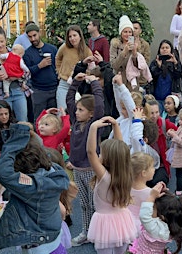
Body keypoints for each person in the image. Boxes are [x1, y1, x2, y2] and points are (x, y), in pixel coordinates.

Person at [0, 123, 69, 252]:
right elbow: (39, 149)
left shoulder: (32, 187)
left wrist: (15, 141)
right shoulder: (52, 171)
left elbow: (2, 172)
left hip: (38, 246)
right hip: (52, 241)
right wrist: (27, 136)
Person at [86, 117, 137, 253]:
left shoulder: (105, 177)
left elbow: (90, 153)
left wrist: (93, 127)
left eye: (101, 153)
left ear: (107, 158)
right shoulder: (126, 172)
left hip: (105, 223)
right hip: (122, 220)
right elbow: (121, 149)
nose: (98, 155)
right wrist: (115, 125)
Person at [66, 72, 105, 246]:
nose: (77, 111)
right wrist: (75, 82)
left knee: (94, 203)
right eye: (77, 109)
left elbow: (100, 103)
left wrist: (94, 82)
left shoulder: (93, 125)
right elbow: (69, 100)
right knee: (83, 204)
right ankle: (86, 232)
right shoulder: (75, 122)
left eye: (81, 109)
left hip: (90, 170)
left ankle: (99, 234)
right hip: (78, 170)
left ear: (91, 114)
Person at [0, 26, 30, 121]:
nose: (0, 45)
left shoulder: (15, 53)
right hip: (1, 94)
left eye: (2, 41)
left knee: (22, 121)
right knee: (5, 123)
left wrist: (16, 76)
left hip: (18, 90)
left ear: (6, 40)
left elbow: (27, 73)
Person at [128, 183, 182, 254]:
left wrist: (152, 197)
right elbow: (170, 204)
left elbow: (144, 216)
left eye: (153, 208)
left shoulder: (156, 229)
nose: (151, 209)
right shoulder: (170, 225)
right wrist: (164, 193)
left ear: (161, 217)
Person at [23, 23, 59, 121]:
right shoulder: (27, 53)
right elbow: (26, 73)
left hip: (54, 89)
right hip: (38, 91)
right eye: (30, 37)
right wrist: (39, 66)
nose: (33, 39)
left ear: (39, 33)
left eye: (34, 35)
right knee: (39, 120)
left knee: (55, 120)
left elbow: (58, 67)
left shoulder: (52, 49)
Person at [56, 25, 93, 110]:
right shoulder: (65, 47)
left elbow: (91, 68)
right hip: (64, 84)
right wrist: (59, 71)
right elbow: (58, 58)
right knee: (62, 112)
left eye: (74, 35)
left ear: (80, 36)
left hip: (79, 86)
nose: (72, 38)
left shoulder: (87, 51)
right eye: (70, 36)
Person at [110, 15, 152, 90]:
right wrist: (124, 52)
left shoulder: (136, 44)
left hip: (133, 82)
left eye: (130, 32)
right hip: (120, 80)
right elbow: (114, 65)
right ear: (121, 33)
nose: (128, 34)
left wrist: (134, 53)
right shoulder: (115, 44)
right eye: (125, 32)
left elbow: (139, 66)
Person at [146, 100, 178, 186]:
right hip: (145, 163)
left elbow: (179, 130)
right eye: (151, 113)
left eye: (157, 112)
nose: (155, 116)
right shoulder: (141, 125)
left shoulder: (163, 123)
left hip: (161, 164)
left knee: (158, 182)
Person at [149, 40, 182, 107]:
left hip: (171, 96)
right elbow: (152, 76)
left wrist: (175, 63)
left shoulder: (175, 61)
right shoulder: (155, 62)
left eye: (167, 48)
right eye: (162, 48)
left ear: (171, 49)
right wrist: (159, 66)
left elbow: (178, 75)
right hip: (157, 96)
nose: (164, 49)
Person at [128, 152, 155, 232]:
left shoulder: (126, 188)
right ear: (144, 173)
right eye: (152, 167)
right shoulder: (150, 193)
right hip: (141, 226)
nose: (154, 169)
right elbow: (152, 214)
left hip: (125, 223)